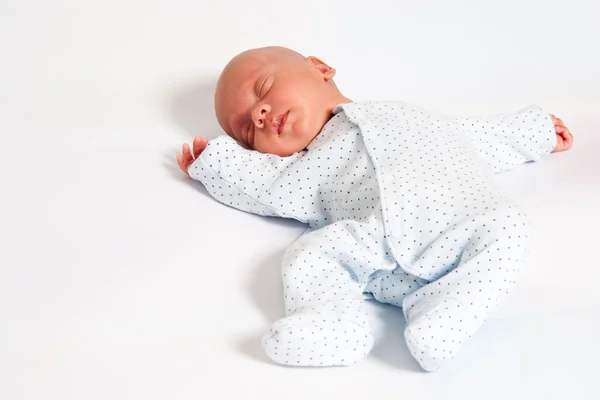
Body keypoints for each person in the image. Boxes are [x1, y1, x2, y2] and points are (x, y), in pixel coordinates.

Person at [176, 46, 573, 371]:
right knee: (311, 255)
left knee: (508, 228)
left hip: (459, 223)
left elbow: (477, 136)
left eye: (263, 88)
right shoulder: (300, 169)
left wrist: (534, 132)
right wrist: (216, 163)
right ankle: (332, 326)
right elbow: (260, 183)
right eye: (247, 130)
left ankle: (446, 315)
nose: (259, 114)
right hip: (376, 249)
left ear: (319, 68)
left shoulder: (407, 114)